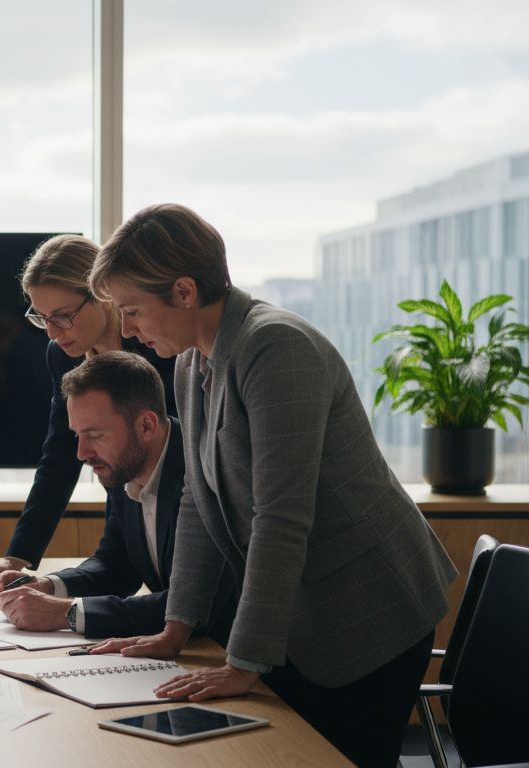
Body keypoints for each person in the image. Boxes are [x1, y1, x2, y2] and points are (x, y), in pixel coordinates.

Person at [84, 203, 458, 768]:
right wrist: (174, 629)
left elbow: (281, 518)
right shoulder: (191, 362)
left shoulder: (276, 347)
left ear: (184, 291)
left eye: (132, 310)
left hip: (366, 607)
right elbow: (197, 498)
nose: (128, 330)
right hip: (299, 612)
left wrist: (243, 662)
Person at [0, 234, 176, 580]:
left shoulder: (159, 350)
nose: (53, 333)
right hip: (124, 512)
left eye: (62, 316)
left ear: (103, 296)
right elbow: (59, 453)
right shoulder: (61, 356)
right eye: (41, 318)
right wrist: (18, 558)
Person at [0, 352, 236, 642]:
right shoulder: (123, 467)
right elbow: (115, 566)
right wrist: (48, 585)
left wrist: (66, 613)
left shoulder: (204, 470)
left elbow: (194, 607)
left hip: (241, 661)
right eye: (77, 435)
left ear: (146, 425)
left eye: (95, 435)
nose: (82, 454)